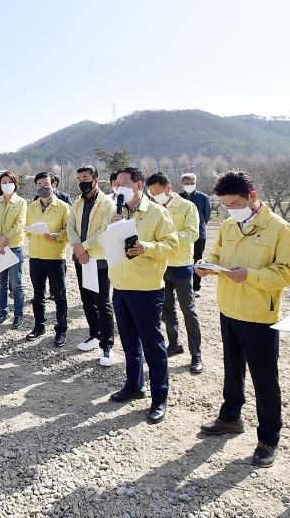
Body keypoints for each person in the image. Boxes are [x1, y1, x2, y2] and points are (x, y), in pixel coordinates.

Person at [195, 170, 290, 468]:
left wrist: (249, 276)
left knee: (265, 379)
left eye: (236, 202)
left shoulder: (279, 229)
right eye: (226, 205)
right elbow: (216, 254)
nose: (232, 209)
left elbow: (288, 272)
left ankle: (269, 438)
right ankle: (230, 417)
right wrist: (206, 266)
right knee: (232, 368)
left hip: (259, 315)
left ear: (253, 197)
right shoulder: (229, 226)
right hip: (228, 309)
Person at [107, 167, 178, 425]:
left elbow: (172, 246)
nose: (119, 187)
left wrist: (146, 247)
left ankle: (160, 397)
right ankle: (133, 385)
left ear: (139, 185)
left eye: (125, 183)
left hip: (147, 289)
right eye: (116, 183)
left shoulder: (157, 213)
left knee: (152, 344)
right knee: (128, 341)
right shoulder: (116, 212)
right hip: (121, 286)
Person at [146, 171, 203, 374]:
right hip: (161, 264)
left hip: (181, 266)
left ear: (168, 188)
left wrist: (168, 238)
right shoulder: (154, 208)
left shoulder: (188, 207)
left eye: (157, 192)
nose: (154, 196)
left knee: (188, 310)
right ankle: (174, 344)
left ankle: (196, 354)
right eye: (151, 193)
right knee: (167, 308)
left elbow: (193, 234)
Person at [66, 165, 116, 366]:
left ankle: (107, 345)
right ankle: (94, 336)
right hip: (81, 259)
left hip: (99, 260)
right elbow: (70, 226)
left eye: (85, 177)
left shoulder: (107, 204)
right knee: (87, 300)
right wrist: (77, 247)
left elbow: (106, 231)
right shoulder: (77, 203)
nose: (82, 182)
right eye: (79, 178)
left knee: (102, 303)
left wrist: (83, 247)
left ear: (95, 179)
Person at [25, 172, 71, 346]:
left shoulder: (64, 207)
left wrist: (57, 236)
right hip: (36, 257)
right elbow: (28, 230)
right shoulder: (31, 207)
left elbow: (69, 231)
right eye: (39, 184)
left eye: (46, 184)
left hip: (55, 257)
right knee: (37, 295)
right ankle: (39, 325)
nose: (43, 187)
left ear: (54, 185)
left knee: (59, 296)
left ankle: (61, 329)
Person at [0, 171, 27, 328]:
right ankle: (3, 312)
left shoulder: (21, 202)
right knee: (1, 282)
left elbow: (19, 224)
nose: (6, 184)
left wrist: (4, 240)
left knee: (16, 284)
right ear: (0, 185)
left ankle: (18, 315)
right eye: (3, 182)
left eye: (9, 181)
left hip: (14, 247)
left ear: (15, 184)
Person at [180, 172, 211, 297]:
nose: (189, 185)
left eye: (192, 183)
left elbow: (207, 215)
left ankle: (195, 288)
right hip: (183, 234)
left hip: (199, 235)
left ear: (195, 183)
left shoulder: (203, 198)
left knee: (197, 261)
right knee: (183, 260)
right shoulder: (178, 197)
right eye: (187, 183)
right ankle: (183, 287)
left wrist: (200, 226)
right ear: (183, 184)